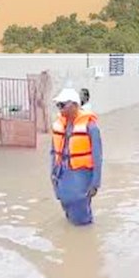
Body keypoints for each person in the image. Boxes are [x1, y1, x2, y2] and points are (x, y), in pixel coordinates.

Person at [50, 88, 102, 226]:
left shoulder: (90, 127)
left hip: (81, 174)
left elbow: (97, 156)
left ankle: (85, 241)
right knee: (66, 205)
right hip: (62, 173)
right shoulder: (59, 125)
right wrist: (53, 175)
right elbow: (53, 152)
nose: (59, 109)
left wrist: (95, 183)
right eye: (58, 105)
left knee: (80, 213)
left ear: (74, 105)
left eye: (62, 105)